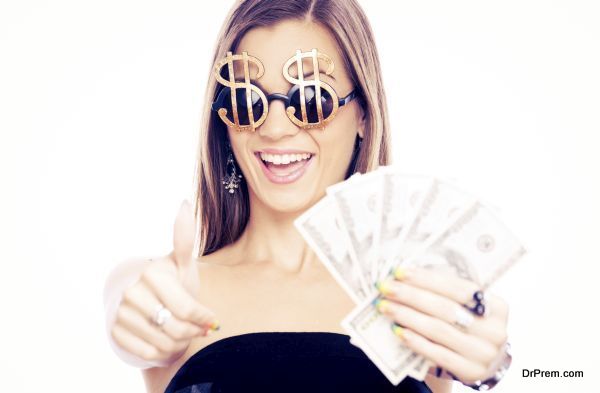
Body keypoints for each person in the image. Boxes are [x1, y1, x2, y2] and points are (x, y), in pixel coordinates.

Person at [103, 1, 512, 392]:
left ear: (364, 116)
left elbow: (477, 352)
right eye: (248, 102)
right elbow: (128, 304)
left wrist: (491, 365)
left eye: (312, 99)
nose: (276, 128)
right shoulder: (175, 296)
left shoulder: (414, 298)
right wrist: (128, 303)